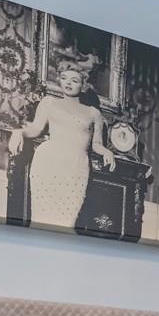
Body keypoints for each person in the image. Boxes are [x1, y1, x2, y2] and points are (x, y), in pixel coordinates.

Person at [7, 59, 116, 230]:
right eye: (65, 78)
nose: (68, 83)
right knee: (42, 218)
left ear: (82, 84)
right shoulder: (49, 102)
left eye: (74, 80)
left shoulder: (94, 113)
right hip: (49, 162)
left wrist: (107, 152)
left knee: (68, 222)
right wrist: (18, 132)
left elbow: (96, 144)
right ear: (59, 80)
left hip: (76, 167)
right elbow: (36, 129)